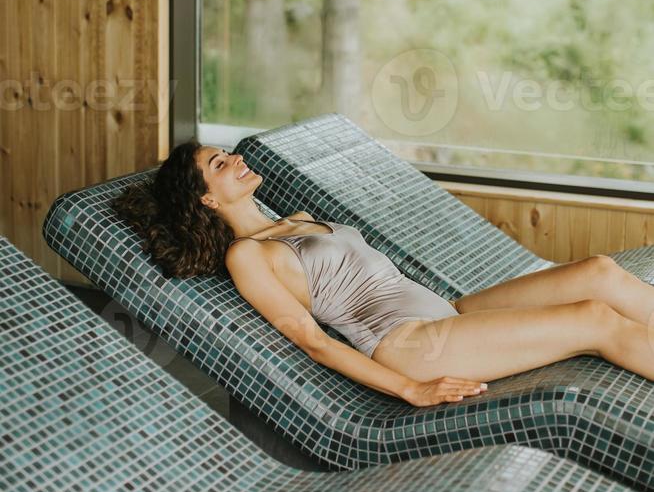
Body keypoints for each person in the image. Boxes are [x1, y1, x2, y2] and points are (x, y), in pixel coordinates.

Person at [112, 138, 654, 408]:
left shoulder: (296, 220)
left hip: (447, 313)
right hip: (410, 343)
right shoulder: (245, 256)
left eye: (229, 153)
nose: (235, 161)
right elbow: (310, 339)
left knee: (599, 271)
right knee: (595, 320)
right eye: (219, 165)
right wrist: (409, 388)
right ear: (206, 198)